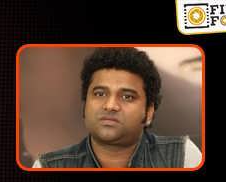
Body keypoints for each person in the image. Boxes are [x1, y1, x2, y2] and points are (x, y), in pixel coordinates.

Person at [33, 47, 202, 168]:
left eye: (127, 97)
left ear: (149, 112)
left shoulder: (181, 156)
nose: (110, 106)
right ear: (85, 105)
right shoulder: (48, 166)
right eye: (100, 94)